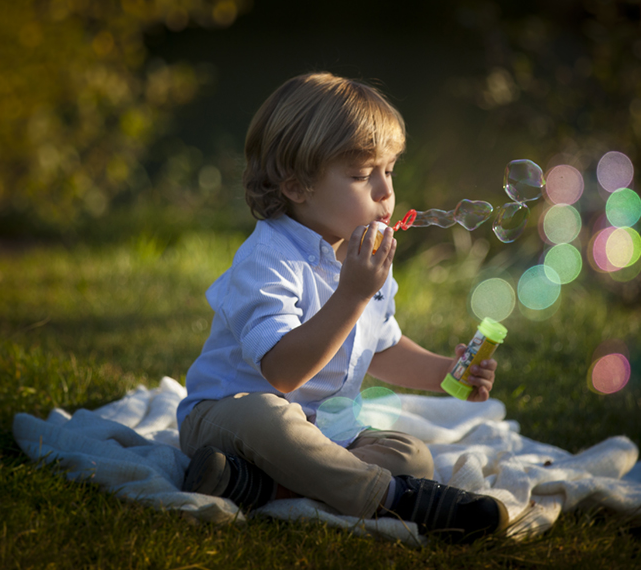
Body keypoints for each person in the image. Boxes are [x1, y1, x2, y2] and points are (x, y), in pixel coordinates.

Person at [176, 72, 507, 543]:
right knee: (271, 419)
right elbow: (282, 374)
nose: (385, 191)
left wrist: (447, 373)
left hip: (321, 431)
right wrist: (351, 294)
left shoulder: (362, 260)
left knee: (414, 456)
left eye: (388, 170)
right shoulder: (267, 260)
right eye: (359, 175)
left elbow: (383, 348)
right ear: (296, 186)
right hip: (228, 418)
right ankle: (396, 500)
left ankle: (255, 485)